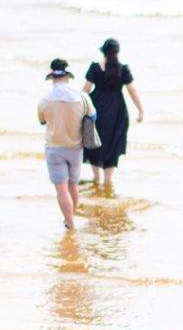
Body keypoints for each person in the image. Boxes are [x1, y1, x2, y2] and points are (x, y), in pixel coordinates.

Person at [37, 57, 95, 231]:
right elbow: (93, 116)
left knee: (62, 190)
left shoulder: (44, 100)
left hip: (54, 148)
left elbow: (42, 121)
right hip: (76, 148)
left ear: (52, 77)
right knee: (73, 187)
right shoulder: (82, 97)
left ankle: (70, 223)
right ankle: (70, 220)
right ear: (68, 75)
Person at [82, 37, 143, 189]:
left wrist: (77, 108)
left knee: (93, 141)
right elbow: (132, 90)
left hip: (95, 108)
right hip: (117, 111)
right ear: (117, 52)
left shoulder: (95, 68)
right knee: (113, 143)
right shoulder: (123, 69)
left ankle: (96, 178)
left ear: (103, 51)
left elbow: (86, 89)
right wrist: (140, 110)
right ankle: (108, 181)